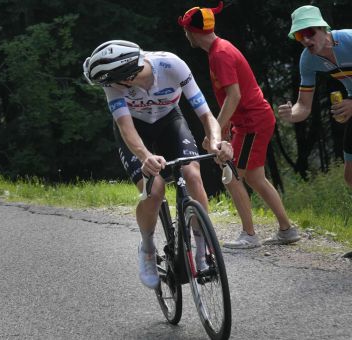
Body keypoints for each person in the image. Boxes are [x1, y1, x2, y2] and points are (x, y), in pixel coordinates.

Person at [83, 40, 233, 289]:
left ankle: (202, 249)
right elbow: (125, 127)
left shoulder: (172, 65)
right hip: (136, 130)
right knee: (154, 190)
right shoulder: (113, 84)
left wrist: (217, 142)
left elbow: (206, 114)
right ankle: (148, 247)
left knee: (192, 174)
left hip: (169, 120)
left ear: (126, 78)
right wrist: (145, 156)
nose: (107, 86)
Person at [179, 2, 300, 247]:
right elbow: (229, 99)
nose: (184, 33)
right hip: (249, 121)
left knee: (232, 175)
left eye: (185, 28)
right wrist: (221, 131)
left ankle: (249, 235)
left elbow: (234, 96)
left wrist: (214, 133)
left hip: (252, 122)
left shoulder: (220, 54)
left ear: (192, 31)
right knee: (255, 177)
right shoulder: (217, 50)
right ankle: (287, 230)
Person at [278, 5, 352, 189]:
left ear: (322, 28)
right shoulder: (308, 60)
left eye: (309, 32)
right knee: (350, 175)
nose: (305, 39)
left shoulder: (348, 39)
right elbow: (303, 105)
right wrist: (291, 114)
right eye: (299, 35)